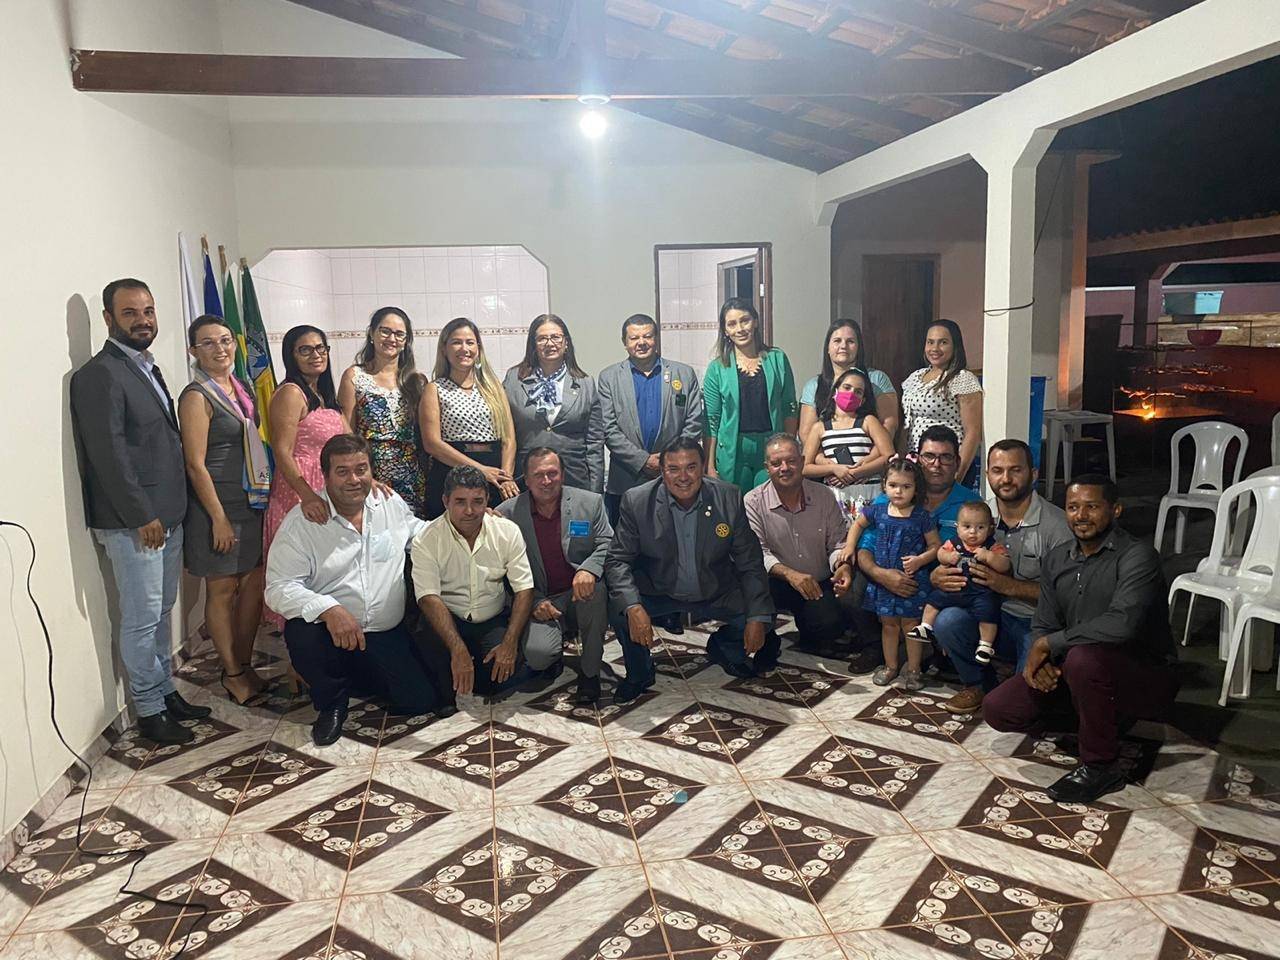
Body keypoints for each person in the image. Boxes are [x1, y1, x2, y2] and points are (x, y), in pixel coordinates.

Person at [69, 278, 211, 745]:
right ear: (108, 319)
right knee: (141, 617)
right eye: (130, 313)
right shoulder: (99, 375)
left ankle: (166, 692)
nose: (143, 320)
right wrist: (141, 514)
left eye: (148, 311)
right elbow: (109, 454)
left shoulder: (146, 366)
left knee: (162, 611)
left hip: (166, 516)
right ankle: (149, 710)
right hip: (136, 523)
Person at [982, 475, 1179, 804]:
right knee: (999, 709)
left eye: (1092, 507)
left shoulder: (1137, 556)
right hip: (1079, 670)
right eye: (1073, 507)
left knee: (1083, 659)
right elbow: (1044, 621)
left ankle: (1101, 766)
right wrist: (1044, 655)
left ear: (1115, 510)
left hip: (1143, 673)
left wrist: (1049, 645)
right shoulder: (1058, 558)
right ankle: (1100, 719)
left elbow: (1122, 624)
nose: (1081, 516)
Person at [265, 435, 453, 745]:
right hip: (329, 632)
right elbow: (278, 588)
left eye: (361, 469)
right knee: (301, 632)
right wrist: (328, 609)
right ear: (325, 476)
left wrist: (467, 521)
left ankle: (354, 675)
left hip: (382, 631)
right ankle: (331, 703)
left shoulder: (388, 503)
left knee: (419, 701)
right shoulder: (301, 523)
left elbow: (418, 532)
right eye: (342, 471)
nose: (354, 479)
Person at [606, 438, 776, 702]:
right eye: (673, 469)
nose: (683, 477)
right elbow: (617, 560)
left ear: (703, 467)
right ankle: (639, 672)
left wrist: (757, 617)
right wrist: (633, 606)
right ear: (662, 471)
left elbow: (751, 562)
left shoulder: (728, 497)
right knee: (620, 609)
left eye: (691, 467)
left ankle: (724, 647)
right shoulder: (637, 501)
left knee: (763, 615)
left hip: (716, 589)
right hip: (658, 590)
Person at [928, 439, 1074, 715]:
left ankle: (1017, 681)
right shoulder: (977, 516)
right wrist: (938, 576)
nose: (1005, 479)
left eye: (1015, 470)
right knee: (947, 620)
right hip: (987, 615)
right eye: (997, 470)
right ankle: (978, 684)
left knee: (1020, 708)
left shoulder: (1057, 526)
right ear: (987, 475)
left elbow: (1066, 597)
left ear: (1033, 474)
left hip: (1035, 623)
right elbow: (947, 555)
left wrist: (1007, 586)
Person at [178, 315, 272, 706]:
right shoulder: (196, 396)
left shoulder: (239, 387)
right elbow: (194, 463)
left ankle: (245, 664)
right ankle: (232, 673)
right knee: (222, 589)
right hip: (216, 504)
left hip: (249, 499)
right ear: (193, 351)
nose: (220, 349)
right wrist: (217, 517)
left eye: (225, 340)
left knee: (252, 583)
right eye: (208, 343)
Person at [852, 424, 981, 677]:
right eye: (929, 456)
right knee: (855, 584)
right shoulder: (890, 498)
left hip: (942, 583)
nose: (936, 464)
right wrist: (880, 574)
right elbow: (865, 543)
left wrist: (935, 575)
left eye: (945, 457)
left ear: (957, 462)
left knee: (952, 611)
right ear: (918, 459)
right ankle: (877, 649)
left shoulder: (971, 504)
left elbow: (975, 555)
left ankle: (936, 651)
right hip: (890, 574)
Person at [496, 447, 613, 704]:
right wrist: (534, 602)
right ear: (526, 479)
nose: (546, 481)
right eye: (538, 475)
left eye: (552, 473)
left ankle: (590, 672)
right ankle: (553, 655)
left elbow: (608, 542)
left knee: (597, 590)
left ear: (563, 474)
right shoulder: (506, 514)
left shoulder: (590, 502)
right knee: (538, 655)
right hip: (540, 598)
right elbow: (501, 571)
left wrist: (588, 568)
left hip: (579, 593)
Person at [412, 465, 536, 702]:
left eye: (477, 502)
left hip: (491, 618)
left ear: (487, 500)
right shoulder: (426, 539)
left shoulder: (507, 531)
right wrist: (457, 649)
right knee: (439, 686)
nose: (469, 511)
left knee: (497, 680)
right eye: (460, 502)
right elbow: (428, 597)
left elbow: (524, 588)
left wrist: (510, 643)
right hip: (447, 617)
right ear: (446, 501)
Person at [263, 325, 350, 631]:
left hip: (329, 487)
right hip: (299, 490)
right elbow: (282, 451)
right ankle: (298, 648)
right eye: (305, 349)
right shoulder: (291, 393)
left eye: (320, 348)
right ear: (292, 356)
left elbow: (349, 443)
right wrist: (308, 495)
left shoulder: (323, 395)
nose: (316, 355)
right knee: (300, 570)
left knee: (325, 569)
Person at [745, 434, 861, 657]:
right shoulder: (753, 501)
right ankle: (767, 637)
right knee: (752, 600)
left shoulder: (824, 496)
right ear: (767, 468)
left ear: (802, 461)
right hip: (774, 581)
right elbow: (758, 553)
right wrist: (790, 575)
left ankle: (812, 633)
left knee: (829, 625)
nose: (784, 468)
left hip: (815, 582)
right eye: (776, 463)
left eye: (791, 461)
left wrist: (842, 566)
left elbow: (837, 542)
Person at [839, 455, 941, 690]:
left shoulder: (922, 516)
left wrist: (920, 560)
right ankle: (890, 666)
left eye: (906, 486)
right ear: (884, 484)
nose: (899, 491)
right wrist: (850, 546)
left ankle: (914, 671)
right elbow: (858, 524)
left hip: (910, 581)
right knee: (888, 625)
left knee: (911, 626)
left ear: (916, 489)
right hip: (884, 582)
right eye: (893, 485)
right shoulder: (877, 510)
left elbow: (936, 546)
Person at [598, 314, 704, 525]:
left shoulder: (683, 374)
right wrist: (643, 460)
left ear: (656, 338)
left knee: (676, 537)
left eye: (647, 336)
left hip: (675, 478)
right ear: (624, 342)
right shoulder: (609, 378)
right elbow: (608, 428)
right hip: (626, 480)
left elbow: (694, 422)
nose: (641, 342)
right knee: (626, 540)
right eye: (634, 338)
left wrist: (668, 460)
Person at [419, 318, 518, 520]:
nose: (464, 348)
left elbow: (509, 439)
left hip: (494, 476)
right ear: (444, 349)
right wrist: (481, 471)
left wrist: (505, 478)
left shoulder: (494, 388)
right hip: (452, 472)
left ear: (478, 349)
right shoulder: (434, 389)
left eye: (470, 342)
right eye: (456, 342)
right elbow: (432, 443)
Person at [337, 306, 427, 515]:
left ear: (406, 340)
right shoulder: (354, 376)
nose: (392, 339)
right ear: (372, 333)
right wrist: (361, 474)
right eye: (385, 331)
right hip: (369, 474)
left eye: (399, 334)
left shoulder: (417, 381)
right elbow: (346, 433)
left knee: (411, 531)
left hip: (412, 476)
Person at [702, 298, 798, 491]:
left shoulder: (777, 359)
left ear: (755, 322)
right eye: (732, 324)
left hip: (771, 446)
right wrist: (709, 465)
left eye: (744, 320)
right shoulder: (716, 368)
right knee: (735, 504)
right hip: (733, 449)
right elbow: (712, 420)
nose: (740, 329)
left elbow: (789, 408)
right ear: (725, 330)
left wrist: (788, 448)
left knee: (770, 502)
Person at [503, 314, 604, 493]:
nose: (550, 343)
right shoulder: (514, 379)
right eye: (542, 338)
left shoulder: (585, 384)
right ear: (533, 345)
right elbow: (504, 432)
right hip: (527, 480)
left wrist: (596, 492)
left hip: (574, 479)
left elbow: (594, 443)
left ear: (566, 343)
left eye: (556, 337)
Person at [910, 501, 1011, 663]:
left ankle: (985, 645)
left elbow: (1005, 565)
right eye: (967, 526)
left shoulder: (992, 546)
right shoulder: (953, 543)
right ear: (957, 528)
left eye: (980, 527)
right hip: (954, 589)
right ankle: (925, 627)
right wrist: (947, 557)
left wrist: (989, 557)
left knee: (989, 612)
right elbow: (940, 553)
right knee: (934, 599)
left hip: (981, 592)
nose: (973, 532)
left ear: (990, 528)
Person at [899, 319, 984, 488]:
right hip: (917, 463)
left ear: (955, 346)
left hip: (946, 465)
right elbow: (906, 424)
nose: (935, 348)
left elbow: (973, 432)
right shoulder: (915, 377)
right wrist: (901, 465)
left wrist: (957, 477)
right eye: (930, 342)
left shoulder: (962, 379)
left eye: (943, 342)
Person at [802, 367, 893, 510]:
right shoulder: (819, 427)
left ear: (862, 400)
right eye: (847, 387)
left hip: (869, 494)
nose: (851, 394)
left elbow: (889, 455)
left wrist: (856, 473)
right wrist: (833, 469)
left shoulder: (869, 421)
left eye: (858, 392)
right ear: (835, 391)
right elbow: (805, 467)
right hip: (835, 496)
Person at [798, 319, 899, 442]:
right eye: (837, 341)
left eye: (850, 341)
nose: (843, 346)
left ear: (859, 348)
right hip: (824, 453)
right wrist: (826, 455)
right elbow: (806, 433)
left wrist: (870, 454)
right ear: (828, 348)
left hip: (871, 452)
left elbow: (889, 424)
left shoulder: (877, 379)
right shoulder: (813, 386)